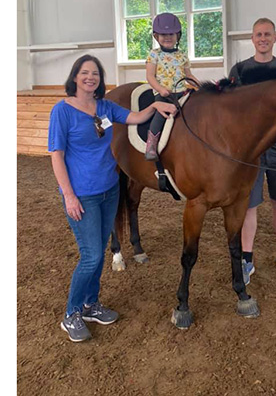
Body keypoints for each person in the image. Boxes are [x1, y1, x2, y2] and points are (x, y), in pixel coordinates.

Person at [48, 54, 178, 342]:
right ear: (75, 77)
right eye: (84, 73)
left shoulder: (104, 107)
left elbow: (135, 117)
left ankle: (90, 305)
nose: (90, 77)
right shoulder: (62, 111)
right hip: (82, 194)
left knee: (97, 252)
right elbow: (56, 156)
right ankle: (71, 314)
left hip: (109, 190)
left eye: (95, 73)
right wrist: (68, 195)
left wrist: (154, 104)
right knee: (92, 256)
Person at [228, 17, 276, 285]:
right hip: (250, 148)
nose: (263, 38)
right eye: (258, 34)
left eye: (267, 34)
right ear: (252, 38)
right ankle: (247, 259)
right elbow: (231, 108)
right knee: (250, 204)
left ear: (275, 38)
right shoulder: (240, 70)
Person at [144, 12, 196, 160]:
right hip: (163, 95)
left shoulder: (182, 55)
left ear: (177, 36)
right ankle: (151, 146)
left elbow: (189, 76)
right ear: (156, 36)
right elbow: (150, 76)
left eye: (171, 34)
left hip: (181, 92)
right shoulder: (154, 55)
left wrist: (200, 87)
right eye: (163, 34)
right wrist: (161, 90)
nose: (167, 38)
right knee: (159, 116)